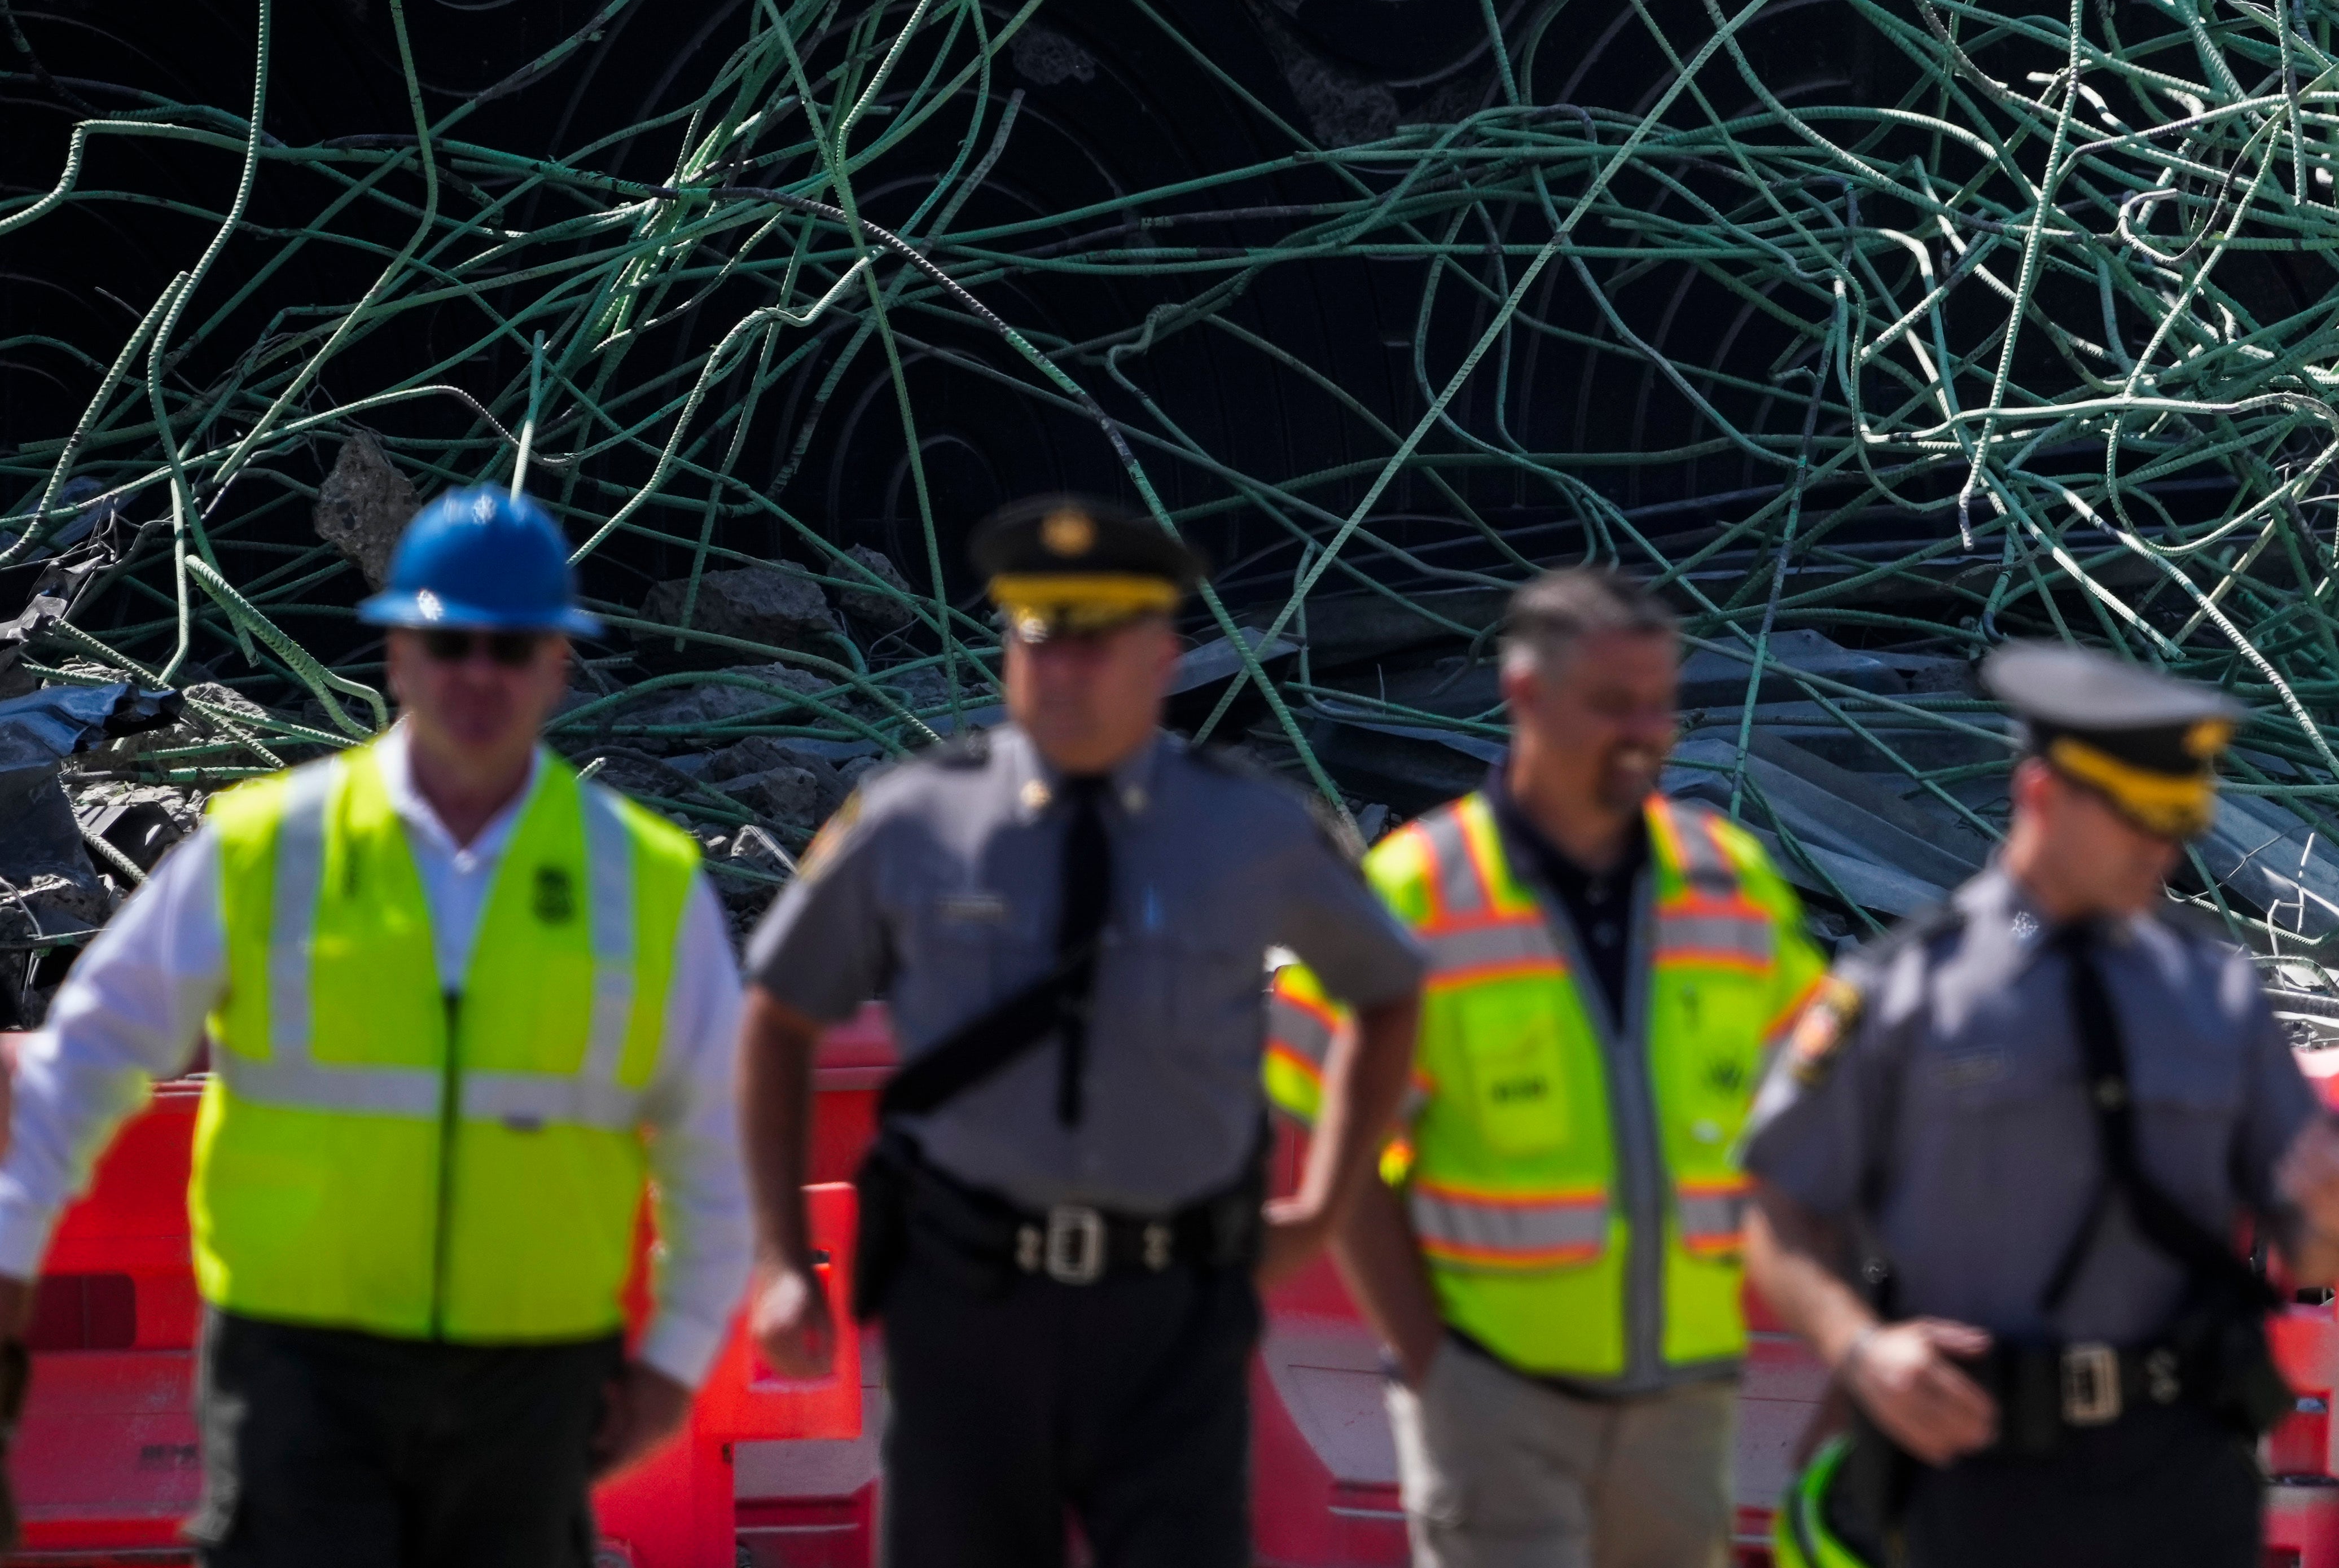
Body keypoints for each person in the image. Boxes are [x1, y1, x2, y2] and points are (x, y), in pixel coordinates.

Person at [0, 483, 750, 1566]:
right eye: (453, 646)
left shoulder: (642, 880)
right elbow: (83, 1065)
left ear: (558, 667)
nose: (479, 677)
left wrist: (676, 1356)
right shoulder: (266, 851)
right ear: (397, 655)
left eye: (513, 647)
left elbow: (716, 1139)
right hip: (304, 1377)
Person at [735, 493, 1427, 1568]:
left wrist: (1325, 1200)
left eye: (1095, 642)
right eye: (1038, 638)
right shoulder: (909, 822)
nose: (1063, 670)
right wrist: (783, 1255)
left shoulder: (1251, 830)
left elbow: (1388, 995)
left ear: (1164, 654)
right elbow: (775, 1021)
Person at [1741, 640, 2339, 1568]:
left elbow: (2314, 1246)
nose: (2159, 856)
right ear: (2043, 795)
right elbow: (1778, 1205)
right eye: (2134, 826)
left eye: (2174, 828)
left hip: (2177, 1474)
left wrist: (2335, 1211)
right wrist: (1859, 1348)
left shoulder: (2215, 995)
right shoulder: (1901, 991)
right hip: (1971, 1466)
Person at [1262, 566, 1830, 1568]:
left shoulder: (1724, 884)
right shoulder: (1420, 896)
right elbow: (1333, 1159)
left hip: (1681, 1406)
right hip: (1499, 1408)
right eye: (1611, 704)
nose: (1644, 733)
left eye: (1659, 703)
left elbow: (1823, 1095)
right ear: (1524, 696)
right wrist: (1438, 1367)